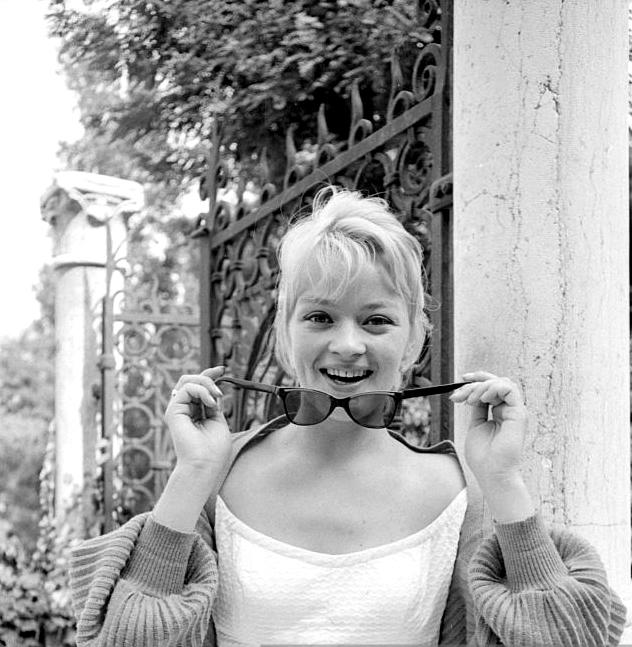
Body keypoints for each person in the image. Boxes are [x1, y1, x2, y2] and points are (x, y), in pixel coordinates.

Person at [70, 186, 627, 646]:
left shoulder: (463, 494)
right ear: (286, 333)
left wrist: (503, 479)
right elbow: (124, 639)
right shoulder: (216, 478)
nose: (347, 344)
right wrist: (192, 474)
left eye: (376, 320)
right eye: (319, 317)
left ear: (414, 339)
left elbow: (570, 639)